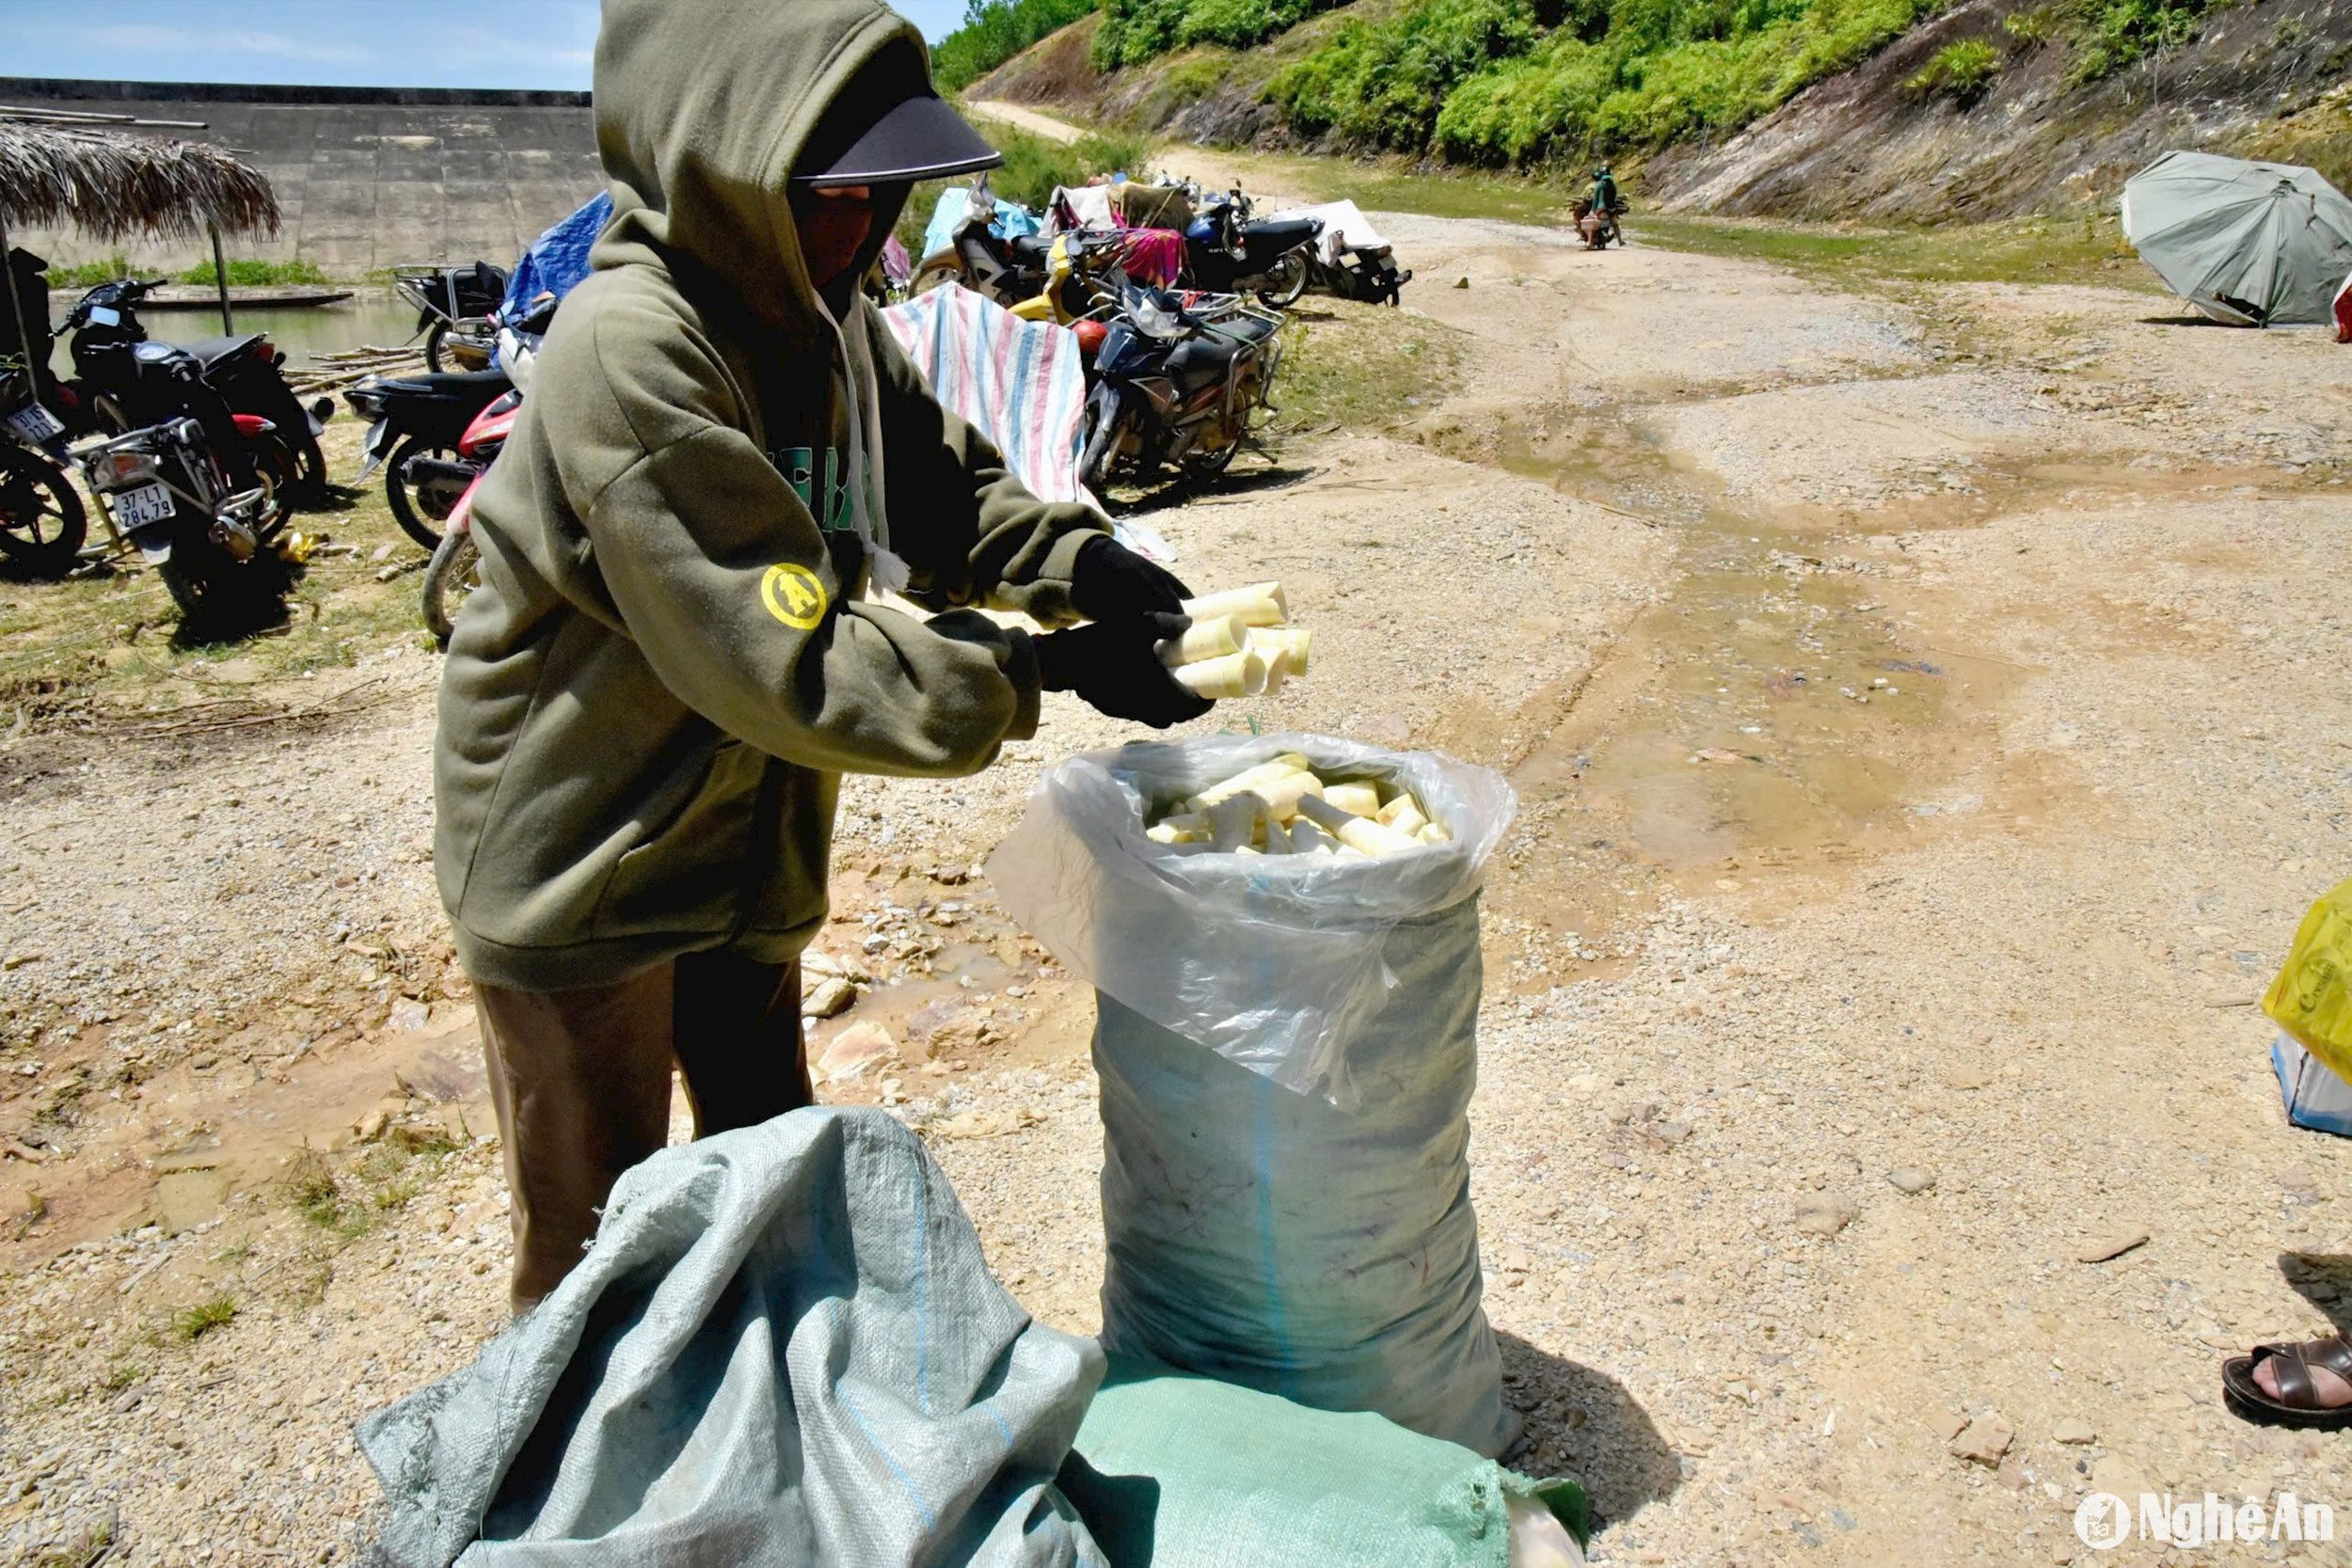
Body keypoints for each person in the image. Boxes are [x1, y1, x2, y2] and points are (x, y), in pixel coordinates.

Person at [435, 0, 1211, 1309]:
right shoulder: (633, 352)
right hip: (589, 858)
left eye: (885, 199)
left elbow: (938, 488)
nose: (865, 234)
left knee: (771, 1191)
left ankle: (764, 1481)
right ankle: (559, 1497)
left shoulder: (829, 317)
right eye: (834, 198)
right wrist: (1038, 675)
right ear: (722, 166)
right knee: (594, 1258)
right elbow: (780, 657)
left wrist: (1075, 564)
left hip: (742, 836)